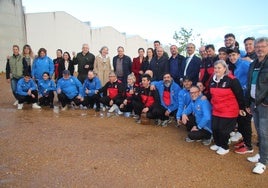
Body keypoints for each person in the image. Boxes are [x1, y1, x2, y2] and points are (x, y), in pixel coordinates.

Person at [209, 60, 245, 155]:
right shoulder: (212, 80)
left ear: (225, 69)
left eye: (219, 68)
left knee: (223, 130)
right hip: (217, 109)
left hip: (229, 109)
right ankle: (218, 143)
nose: (216, 70)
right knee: (215, 127)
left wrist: (242, 107)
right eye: (215, 68)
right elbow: (211, 93)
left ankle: (224, 147)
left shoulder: (231, 80)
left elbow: (239, 94)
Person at [245, 37, 268, 174]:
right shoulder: (253, 64)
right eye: (257, 47)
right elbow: (250, 85)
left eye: (263, 46)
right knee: (259, 131)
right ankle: (261, 154)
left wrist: (266, 101)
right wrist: (248, 102)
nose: (259, 49)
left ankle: (263, 161)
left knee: (264, 133)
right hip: (254, 103)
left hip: (264, 105)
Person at [227, 48, 252, 154]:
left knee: (245, 122)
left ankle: (249, 146)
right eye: (230, 56)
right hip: (239, 97)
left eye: (234, 55)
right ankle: (244, 141)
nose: (232, 57)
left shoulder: (244, 64)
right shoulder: (235, 66)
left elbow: (251, 78)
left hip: (246, 97)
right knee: (241, 121)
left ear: (238, 55)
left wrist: (245, 88)